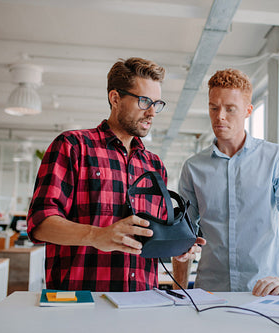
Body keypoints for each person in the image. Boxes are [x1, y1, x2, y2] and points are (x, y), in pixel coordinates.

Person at [27, 57, 204, 292]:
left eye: (157, 103)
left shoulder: (154, 165)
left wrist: (178, 247)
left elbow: (153, 237)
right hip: (81, 302)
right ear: (115, 98)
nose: (152, 112)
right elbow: (40, 223)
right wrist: (96, 235)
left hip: (141, 302)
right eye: (144, 101)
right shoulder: (73, 146)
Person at [172, 68, 279, 296]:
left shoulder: (275, 158)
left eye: (230, 109)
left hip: (265, 292)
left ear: (248, 111)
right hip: (210, 294)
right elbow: (183, 231)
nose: (219, 116)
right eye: (213, 108)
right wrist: (179, 291)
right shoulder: (193, 168)